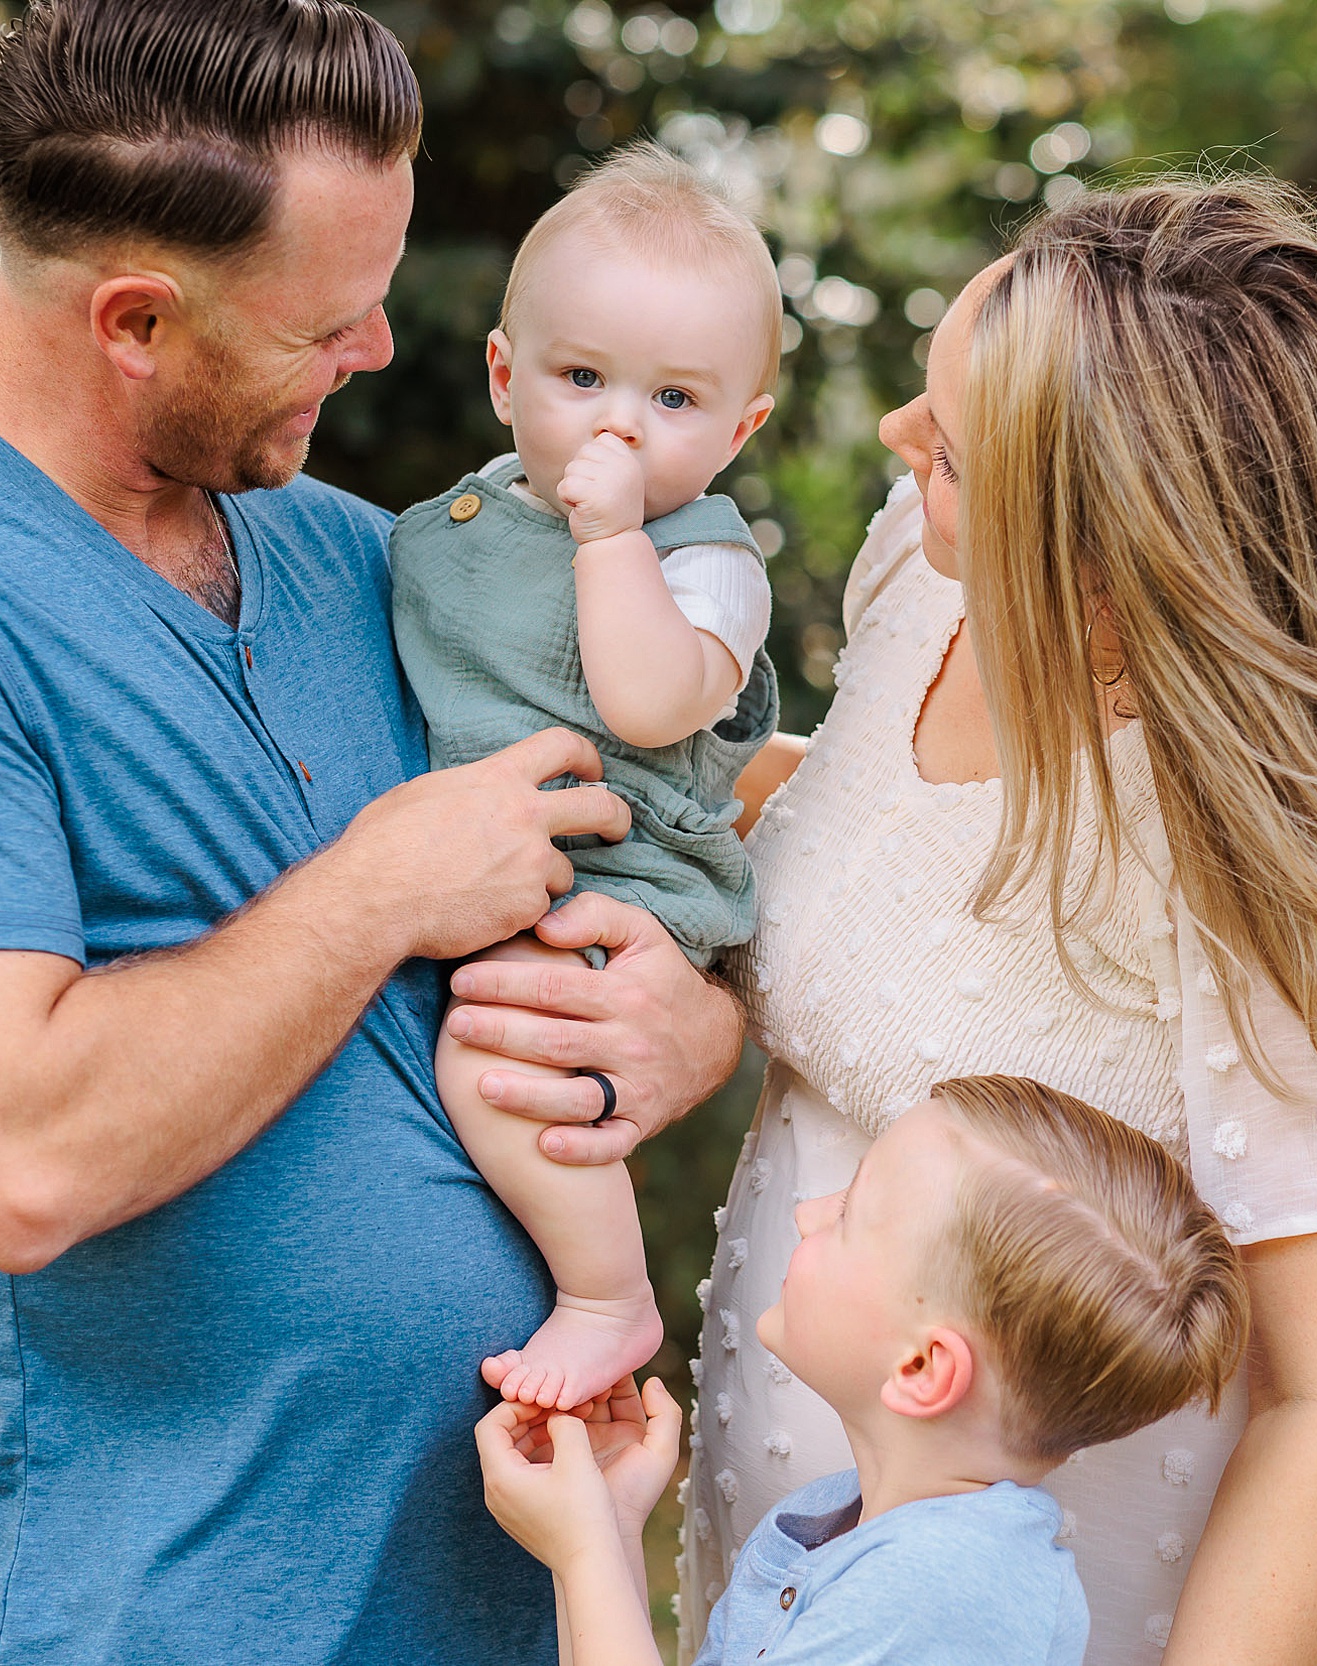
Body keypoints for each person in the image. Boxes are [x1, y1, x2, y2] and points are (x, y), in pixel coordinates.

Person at [0, 3, 741, 1660]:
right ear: (135, 321)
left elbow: (666, 815)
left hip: (502, 1593)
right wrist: (376, 891)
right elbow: (22, 1157)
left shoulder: (362, 558)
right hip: (152, 1614)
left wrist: (685, 1017)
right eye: (330, 316)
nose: (383, 348)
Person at [681, 179, 1317, 1666]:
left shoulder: (1316, 846)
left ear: (1113, 551)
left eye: (955, 451)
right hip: (825, 1587)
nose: (904, 447)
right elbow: (885, 844)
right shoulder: (930, 568)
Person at [394, 143, 782, 1413]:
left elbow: (650, 697)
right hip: (503, 857)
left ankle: (607, 1295)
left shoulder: (706, 561)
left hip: (623, 878)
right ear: (506, 378)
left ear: (741, 427)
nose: (618, 422)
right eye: (580, 378)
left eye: (674, 400)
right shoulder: (455, 523)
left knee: (494, 1061)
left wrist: (612, 536)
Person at [478, 1076, 1249, 1666]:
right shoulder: (853, 1525)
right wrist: (606, 1529)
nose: (809, 1210)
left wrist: (583, 1551)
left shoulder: (935, 1592)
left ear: (919, 1367)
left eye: (849, 1214)